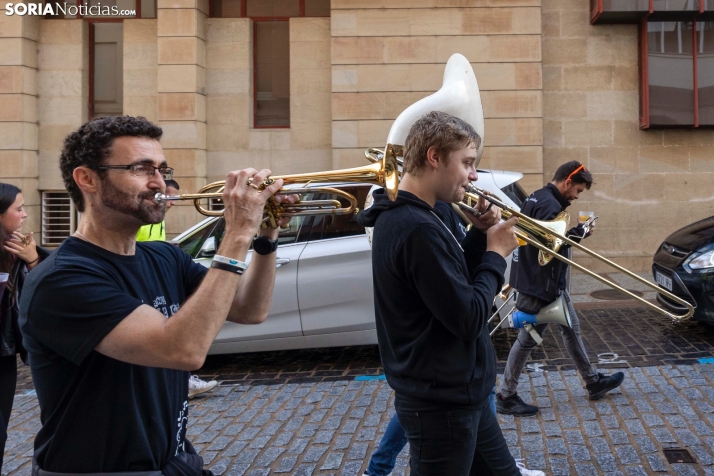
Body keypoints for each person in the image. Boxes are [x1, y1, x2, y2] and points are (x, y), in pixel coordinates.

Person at [18, 115, 292, 473]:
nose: (159, 182)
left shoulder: (164, 255)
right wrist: (237, 232)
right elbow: (183, 350)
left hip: (170, 461)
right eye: (141, 169)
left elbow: (248, 309)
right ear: (87, 178)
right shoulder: (63, 278)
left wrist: (265, 237)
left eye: (162, 169)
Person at [358, 111, 542, 476]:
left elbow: (449, 286)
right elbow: (468, 316)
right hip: (441, 404)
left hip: (460, 395)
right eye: (468, 163)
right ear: (434, 157)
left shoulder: (421, 216)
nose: (473, 176)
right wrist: (495, 254)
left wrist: (476, 236)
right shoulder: (414, 226)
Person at [496, 161, 625, 417]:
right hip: (542, 285)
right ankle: (506, 395)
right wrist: (581, 232)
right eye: (577, 190)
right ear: (567, 181)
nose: (576, 197)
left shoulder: (536, 197)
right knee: (527, 339)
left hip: (543, 282)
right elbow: (551, 249)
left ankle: (592, 381)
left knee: (571, 329)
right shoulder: (550, 206)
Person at [135, 179, 218, 399]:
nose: (170, 203)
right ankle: (183, 380)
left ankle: (183, 379)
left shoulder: (157, 217)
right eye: (168, 197)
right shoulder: (145, 216)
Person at [0, 183, 49, 469]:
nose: (25, 215)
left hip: (3, 358)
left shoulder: (22, 253)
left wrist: (33, 262)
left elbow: (47, 299)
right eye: (18, 209)